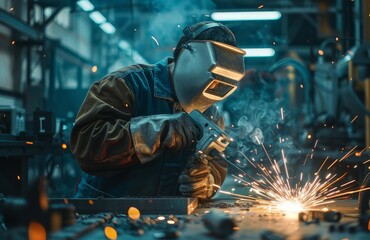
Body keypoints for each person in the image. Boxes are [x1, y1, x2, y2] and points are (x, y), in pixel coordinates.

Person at [70, 21, 246, 201]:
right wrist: (154, 132)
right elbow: (85, 146)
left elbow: (216, 164)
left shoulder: (212, 116)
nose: (214, 90)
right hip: (105, 213)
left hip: (166, 219)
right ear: (186, 58)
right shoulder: (127, 84)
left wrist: (205, 183)